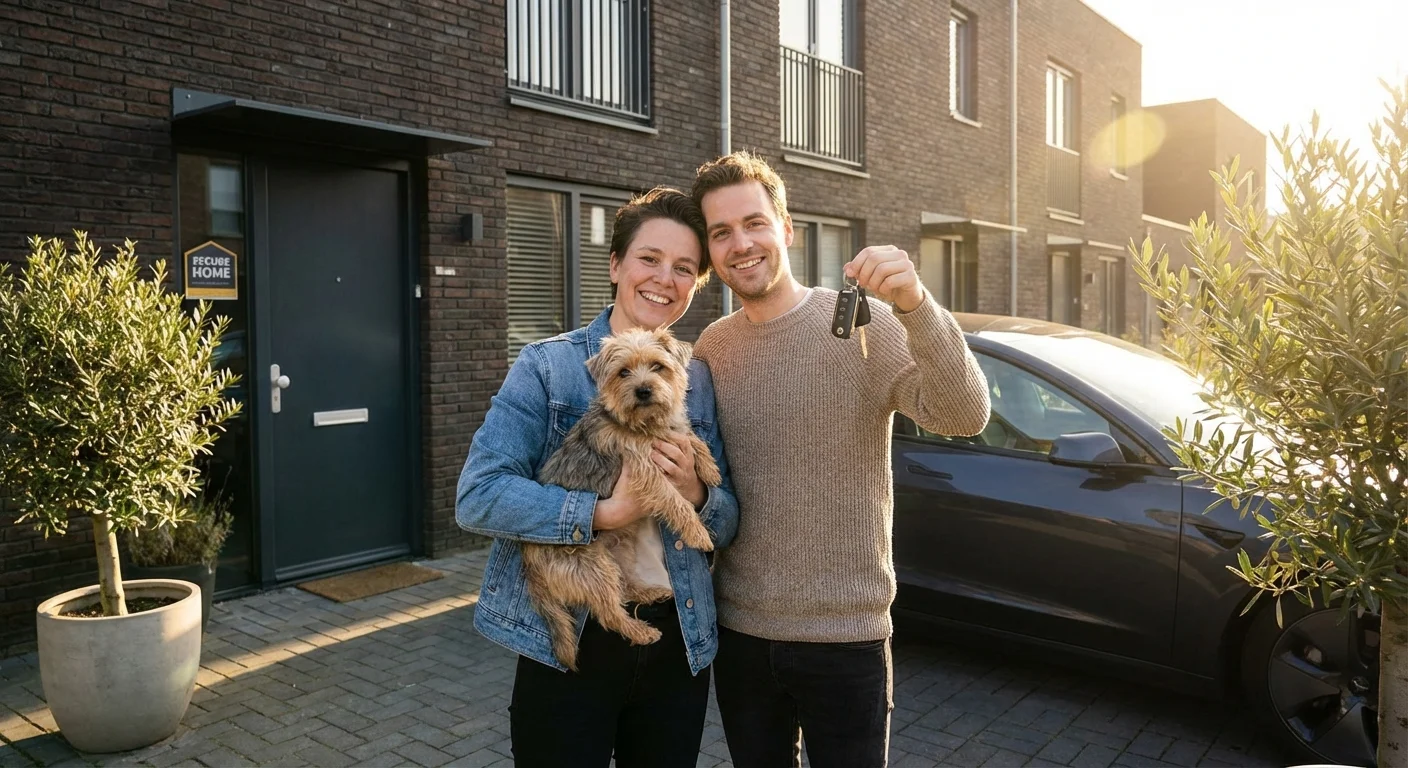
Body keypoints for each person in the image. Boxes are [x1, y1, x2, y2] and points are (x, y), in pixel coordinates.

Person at [689, 152, 991, 768]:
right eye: (721, 232)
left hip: (847, 638)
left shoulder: (862, 325)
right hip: (740, 635)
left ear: (787, 229)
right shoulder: (714, 346)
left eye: (754, 223)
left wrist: (916, 304)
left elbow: (965, 414)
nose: (740, 244)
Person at [455, 187, 739, 768]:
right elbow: (478, 496)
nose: (664, 279)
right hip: (575, 638)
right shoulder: (547, 366)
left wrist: (697, 493)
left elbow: (729, 520)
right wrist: (602, 514)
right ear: (614, 265)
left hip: (676, 638)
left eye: (684, 267)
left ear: (695, 283)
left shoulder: (700, 380)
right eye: (649, 258)